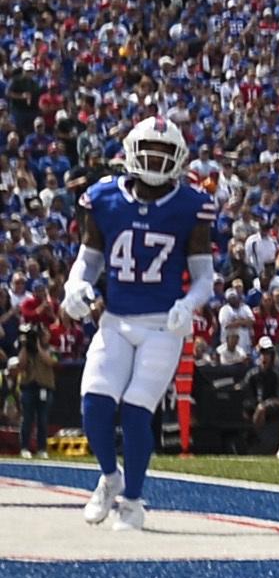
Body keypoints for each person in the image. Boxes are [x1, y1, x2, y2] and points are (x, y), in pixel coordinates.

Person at [65, 116, 222, 530]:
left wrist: (188, 305)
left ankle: (133, 501)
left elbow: (205, 277)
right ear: (133, 152)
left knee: (136, 412)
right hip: (115, 319)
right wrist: (76, 285)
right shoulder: (102, 198)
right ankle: (109, 477)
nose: (154, 161)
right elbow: (89, 258)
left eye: (163, 154)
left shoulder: (191, 205)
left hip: (160, 325)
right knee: (94, 406)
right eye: (148, 152)